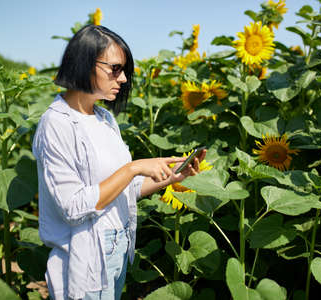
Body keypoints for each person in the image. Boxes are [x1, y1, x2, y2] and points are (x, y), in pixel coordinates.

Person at [32, 25, 206, 300]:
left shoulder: (104, 119)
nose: (123, 78)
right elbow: (73, 207)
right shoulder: (56, 124)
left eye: (124, 70)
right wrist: (133, 167)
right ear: (85, 63)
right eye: (115, 68)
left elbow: (124, 190)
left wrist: (170, 178)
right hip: (85, 258)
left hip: (117, 249)